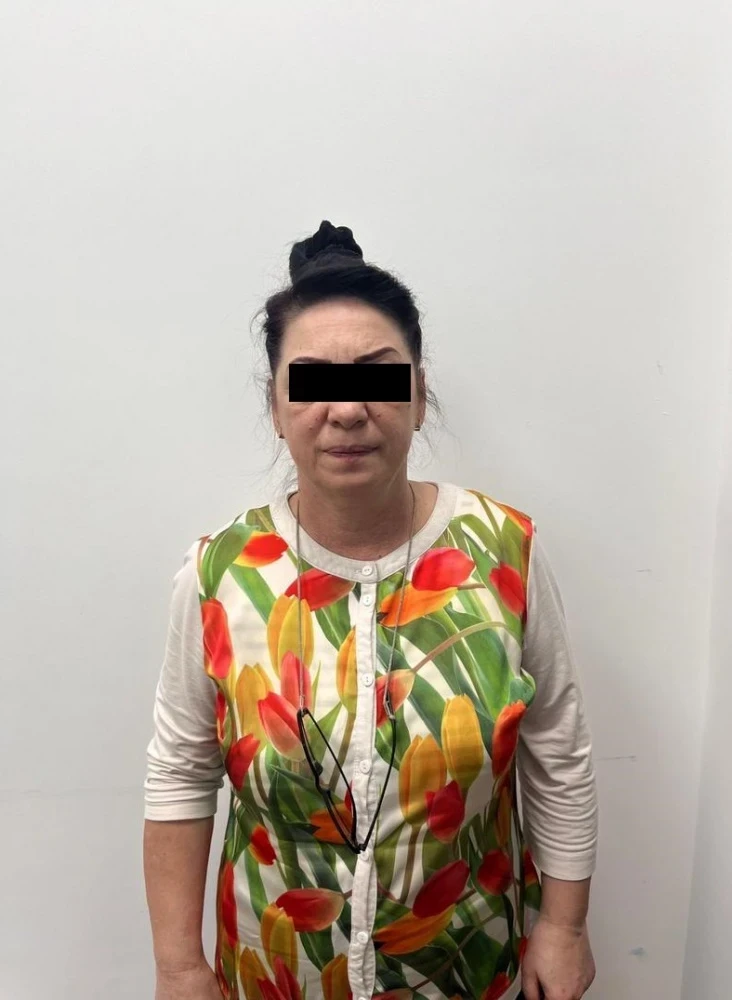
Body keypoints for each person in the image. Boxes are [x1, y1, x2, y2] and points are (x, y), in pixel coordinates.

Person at [142, 220, 598, 1000]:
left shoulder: (504, 553)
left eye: (381, 379)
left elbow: (557, 753)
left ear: (418, 397)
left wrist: (565, 927)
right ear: (276, 404)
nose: (348, 409)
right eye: (312, 382)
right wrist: (179, 966)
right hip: (276, 971)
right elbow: (180, 772)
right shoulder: (221, 575)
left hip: (465, 964)